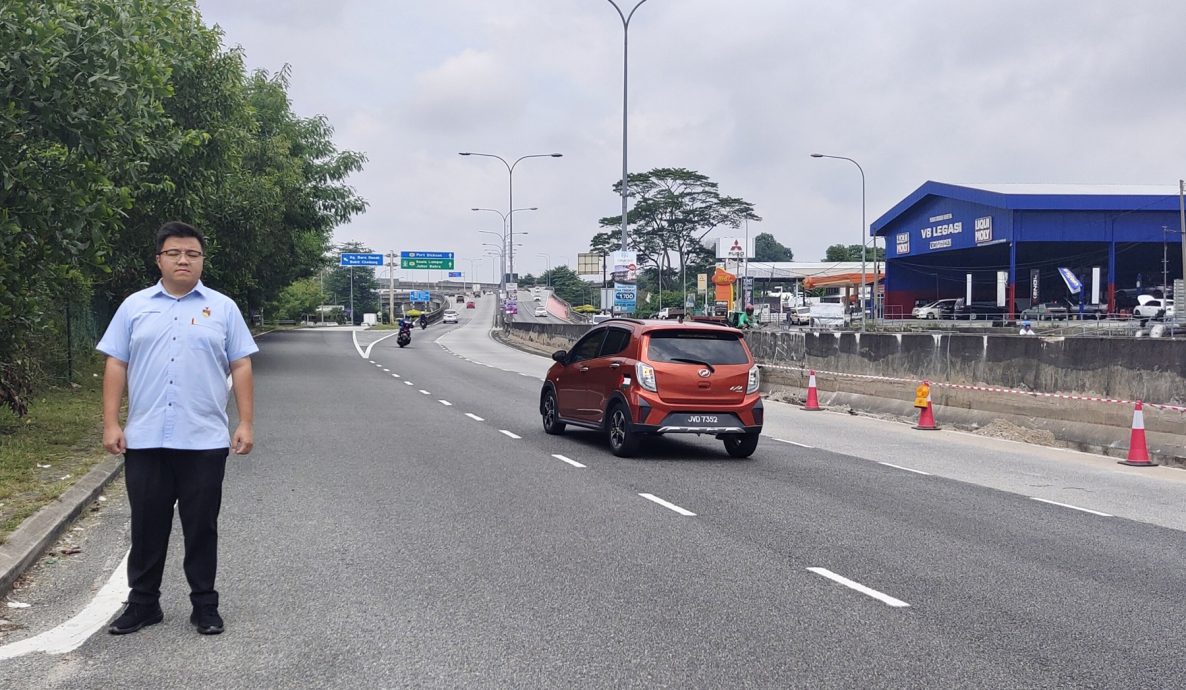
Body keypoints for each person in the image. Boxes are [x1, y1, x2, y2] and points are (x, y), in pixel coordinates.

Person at [97, 221, 258, 636]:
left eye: (192, 254)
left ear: (202, 261)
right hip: (146, 437)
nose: (183, 260)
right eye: (174, 253)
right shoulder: (134, 306)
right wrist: (111, 422)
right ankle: (143, 604)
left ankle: (204, 604)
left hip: (203, 439)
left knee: (200, 525)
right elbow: (116, 362)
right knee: (147, 524)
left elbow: (240, 364)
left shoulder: (223, 308)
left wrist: (245, 422)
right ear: (159, 259)